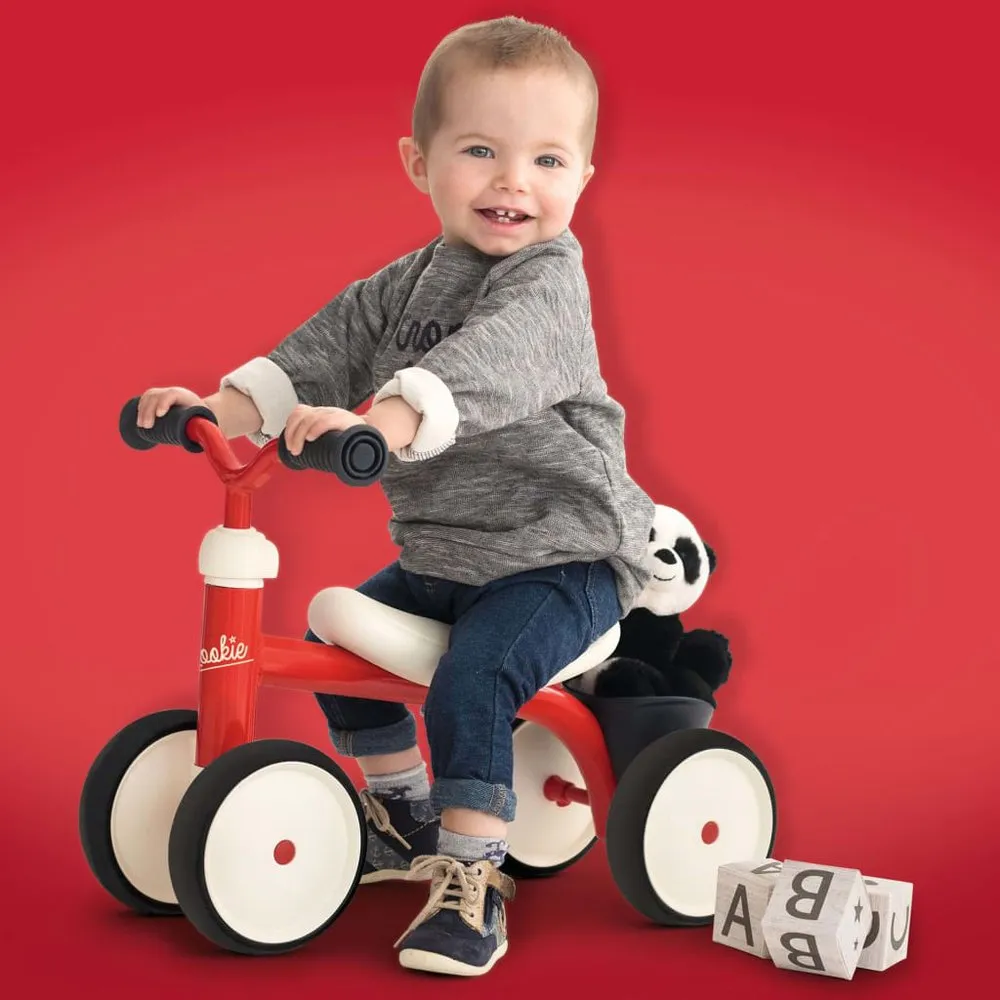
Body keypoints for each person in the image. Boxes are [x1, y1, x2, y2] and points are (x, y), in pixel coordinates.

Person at [136, 15, 655, 977]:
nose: (513, 181)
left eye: (547, 159)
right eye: (481, 151)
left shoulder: (551, 284)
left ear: (583, 177)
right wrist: (216, 407)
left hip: (560, 556)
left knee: (474, 676)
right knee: (340, 644)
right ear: (421, 163)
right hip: (446, 556)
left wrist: (386, 420)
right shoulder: (404, 287)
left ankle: (473, 873)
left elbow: (487, 365)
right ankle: (405, 812)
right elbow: (313, 356)